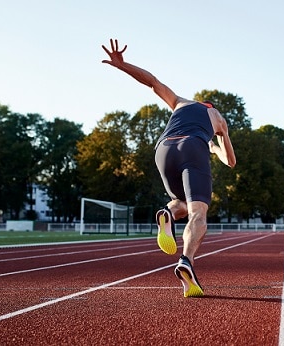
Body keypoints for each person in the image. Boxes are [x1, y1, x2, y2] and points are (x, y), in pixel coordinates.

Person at [101, 39, 236, 298]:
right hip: (193, 147)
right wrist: (219, 140)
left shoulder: (181, 102)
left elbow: (152, 81)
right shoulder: (218, 119)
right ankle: (186, 260)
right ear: (213, 107)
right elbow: (230, 161)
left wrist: (122, 65)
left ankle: (167, 213)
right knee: (199, 213)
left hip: (163, 148)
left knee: (181, 202)